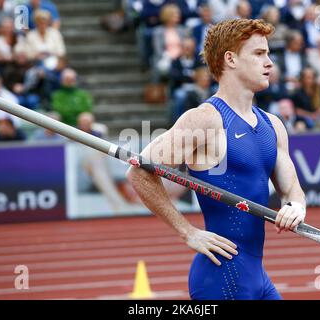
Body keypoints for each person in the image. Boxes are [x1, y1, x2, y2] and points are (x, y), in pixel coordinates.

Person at [126, 19, 307, 300]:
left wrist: (296, 207)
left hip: (258, 278)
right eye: (259, 54)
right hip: (222, 280)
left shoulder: (273, 125)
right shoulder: (205, 119)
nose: (269, 62)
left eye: (268, 54)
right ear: (231, 59)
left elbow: (291, 190)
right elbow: (138, 172)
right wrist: (187, 231)